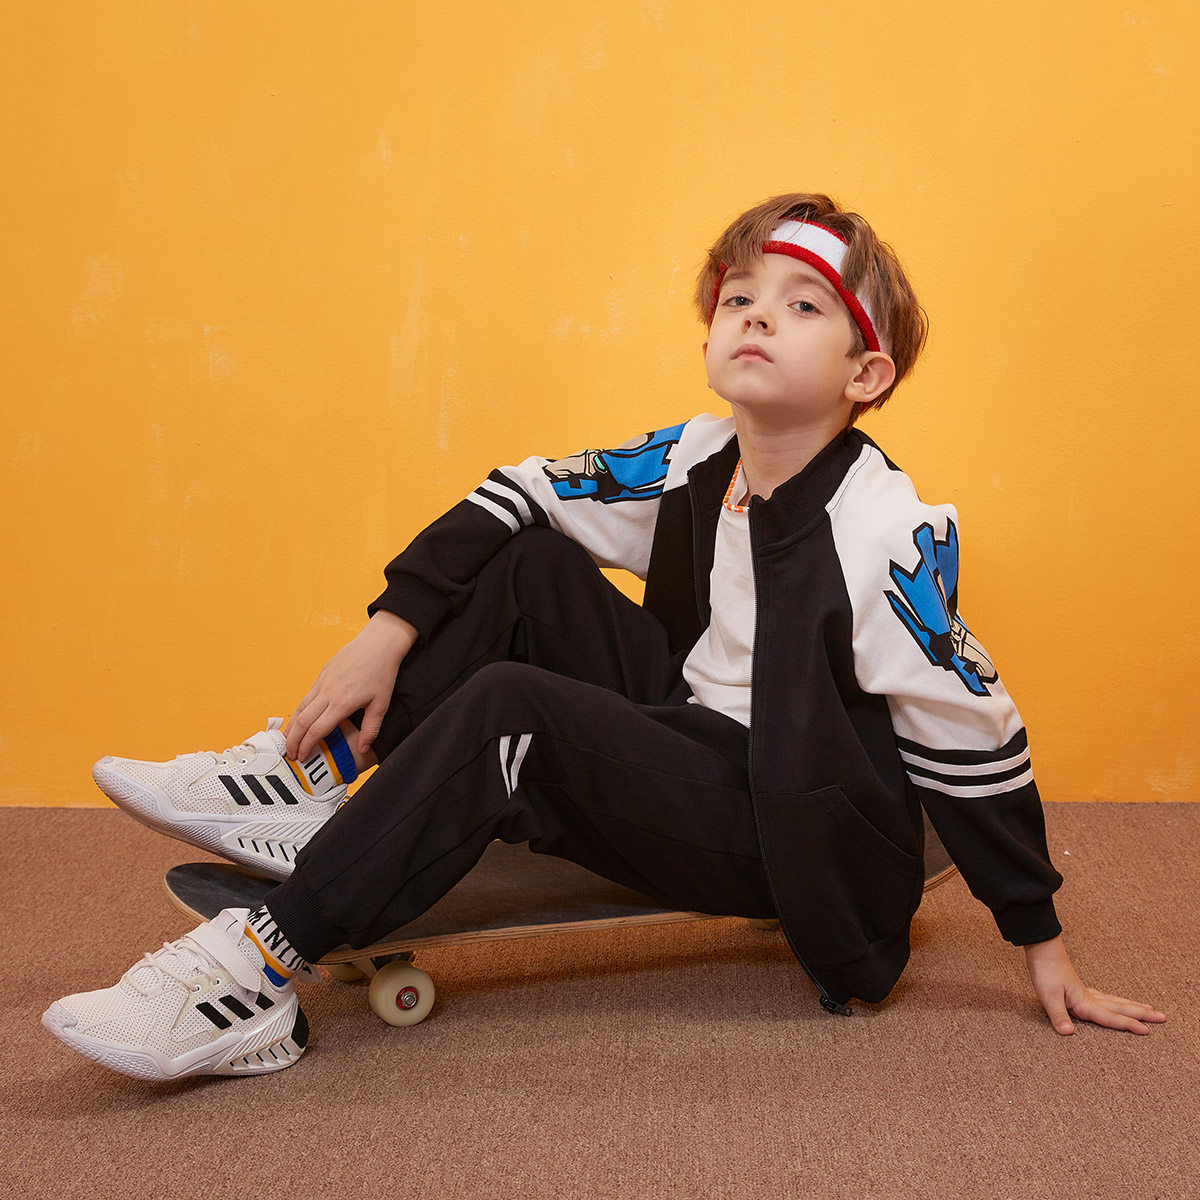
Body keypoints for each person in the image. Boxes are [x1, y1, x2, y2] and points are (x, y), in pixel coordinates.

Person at [43, 193, 1166, 1081]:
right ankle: (314, 781)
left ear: (865, 374)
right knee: (530, 560)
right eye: (740, 296)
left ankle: (252, 974)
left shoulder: (886, 531)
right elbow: (521, 490)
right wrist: (388, 630)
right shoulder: (698, 456)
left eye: (802, 306)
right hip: (689, 723)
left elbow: (974, 730)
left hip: (791, 827)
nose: (756, 315)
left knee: (511, 711)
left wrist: (1041, 940)